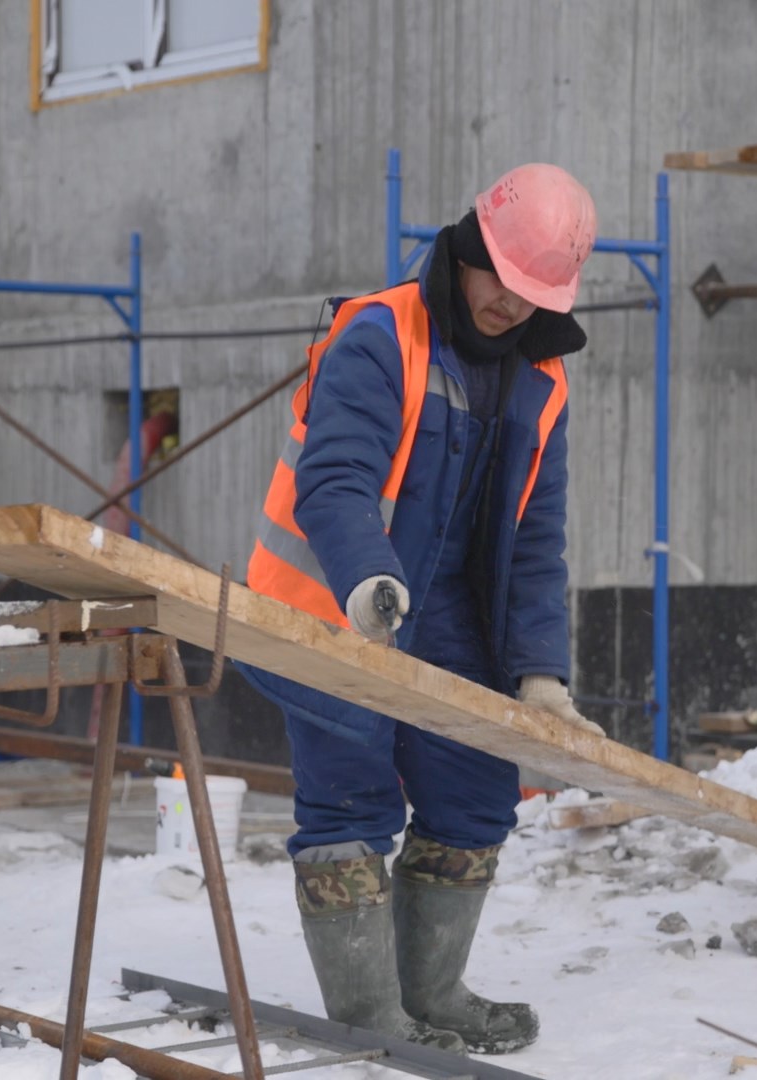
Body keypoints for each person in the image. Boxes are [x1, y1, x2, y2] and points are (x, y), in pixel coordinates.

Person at [242, 163, 602, 1055]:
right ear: (470, 249)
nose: (513, 308)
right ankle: (370, 1018)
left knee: (477, 792)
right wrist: (367, 580)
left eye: (532, 295)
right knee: (352, 801)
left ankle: (432, 994)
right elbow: (336, 479)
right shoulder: (380, 332)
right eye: (504, 284)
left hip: (449, 616)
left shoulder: (541, 379)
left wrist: (540, 674)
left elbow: (533, 541)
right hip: (332, 602)